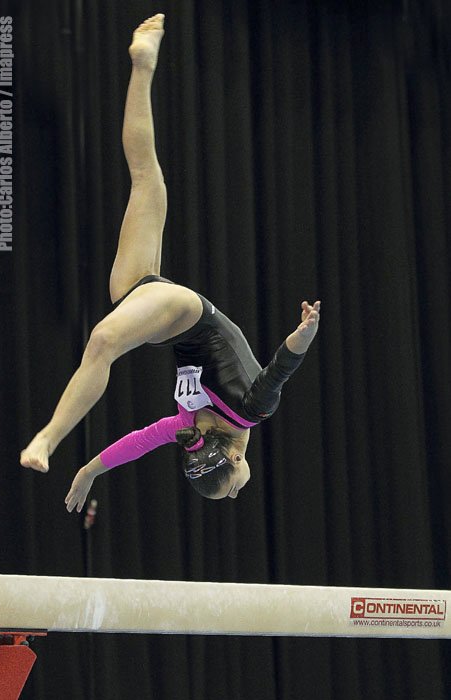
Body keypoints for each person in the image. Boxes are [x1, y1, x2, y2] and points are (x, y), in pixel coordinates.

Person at [19, 14, 321, 511]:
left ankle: (143, 67)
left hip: (157, 305)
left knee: (146, 178)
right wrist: (303, 336)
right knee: (103, 341)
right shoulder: (251, 411)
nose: (241, 487)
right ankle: (47, 438)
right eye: (235, 491)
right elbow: (278, 370)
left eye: (233, 487)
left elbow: (136, 443)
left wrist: (90, 470)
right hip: (181, 313)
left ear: (235, 462)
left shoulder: (188, 427)